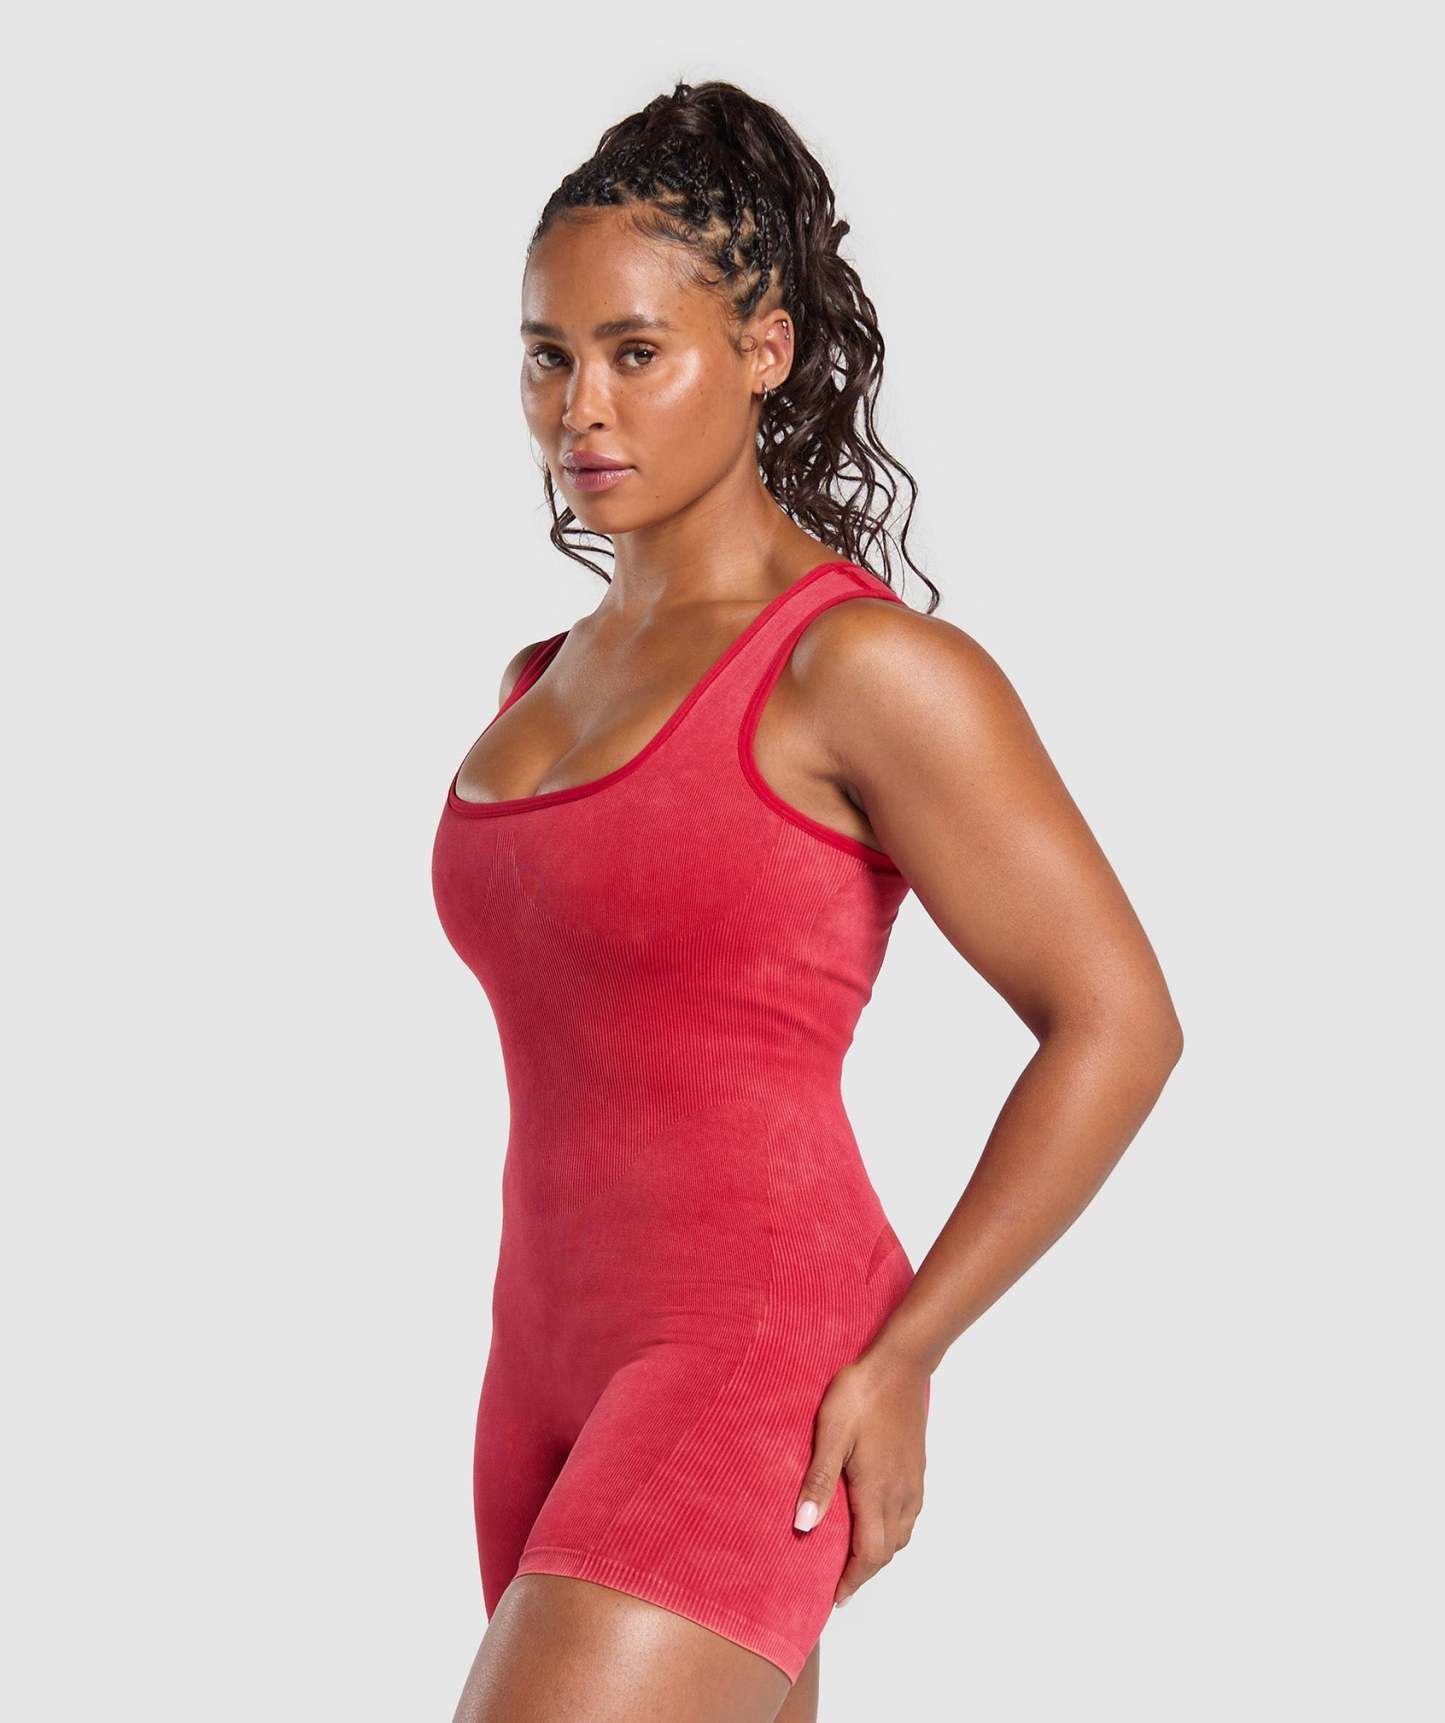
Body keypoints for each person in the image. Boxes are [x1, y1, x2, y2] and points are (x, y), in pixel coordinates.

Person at [432, 79, 1183, 1723]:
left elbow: (1116, 1021)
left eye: (637, 352)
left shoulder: (860, 670)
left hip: (753, 1352)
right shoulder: (537, 681)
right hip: (538, 1361)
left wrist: (907, 1351)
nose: (579, 409)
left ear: (762, 350)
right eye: (546, 356)